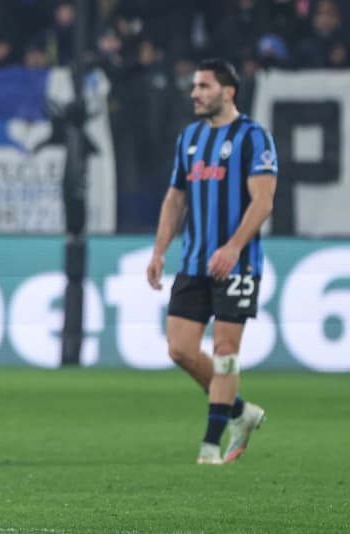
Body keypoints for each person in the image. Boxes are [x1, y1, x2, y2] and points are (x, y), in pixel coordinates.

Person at [146, 58, 276, 465]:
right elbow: (176, 198)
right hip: (195, 261)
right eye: (194, 86)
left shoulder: (254, 138)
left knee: (224, 350)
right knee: (180, 350)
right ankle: (240, 411)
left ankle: (210, 444)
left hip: (238, 264)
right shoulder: (189, 138)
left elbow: (263, 201)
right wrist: (159, 250)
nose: (195, 94)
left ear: (228, 91)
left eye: (203, 86)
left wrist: (234, 246)